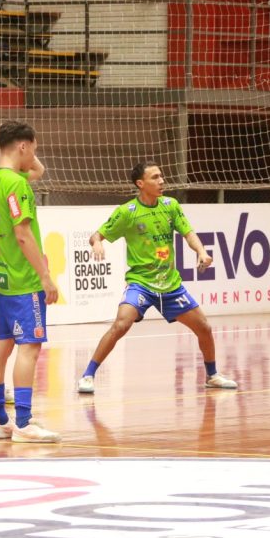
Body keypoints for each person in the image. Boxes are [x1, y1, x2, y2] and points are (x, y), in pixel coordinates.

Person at [76, 160, 238, 394]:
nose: (162, 181)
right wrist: (98, 243)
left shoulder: (170, 205)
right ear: (140, 183)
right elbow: (96, 235)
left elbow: (188, 233)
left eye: (161, 176)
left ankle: (212, 375)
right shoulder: (127, 213)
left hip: (170, 285)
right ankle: (88, 375)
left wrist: (202, 251)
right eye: (155, 177)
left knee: (204, 327)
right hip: (141, 284)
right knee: (122, 324)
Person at [0, 120, 60, 443]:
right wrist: (45, 277)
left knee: (1, 345)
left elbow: (36, 170)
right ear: (24, 147)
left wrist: (6, 139)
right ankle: (25, 423)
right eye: (34, 149)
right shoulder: (16, 184)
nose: (35, 158)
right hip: (22, 280)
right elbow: (23, 233)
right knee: (30, 346)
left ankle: (0, 422)